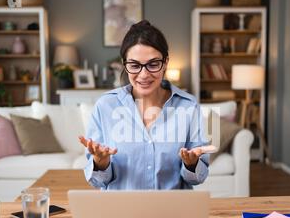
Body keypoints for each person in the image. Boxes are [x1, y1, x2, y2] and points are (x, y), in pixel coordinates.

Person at [79, 20, 209, 190]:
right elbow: (97, 181)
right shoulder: (105, 106)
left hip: (171, 212)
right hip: (121, 212)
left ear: (166, 62)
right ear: (125, 65)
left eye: (153, 64)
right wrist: (100, 163)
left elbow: (198, 177)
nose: (144, 74)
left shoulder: (189, 107)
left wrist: (191, 165)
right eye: (134, 65)